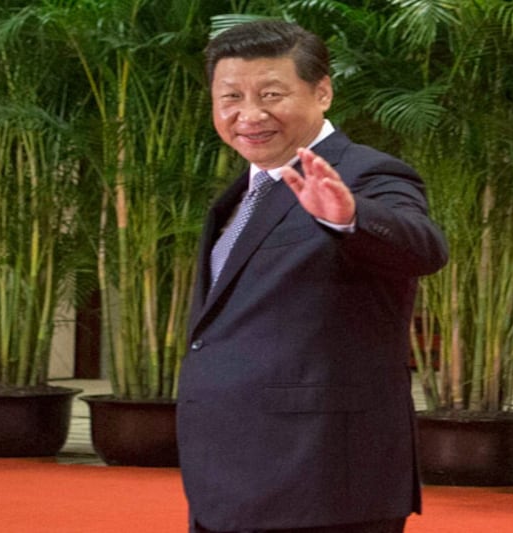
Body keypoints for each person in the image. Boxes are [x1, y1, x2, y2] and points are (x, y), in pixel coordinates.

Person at [177, 19, 449, 533]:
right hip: (229, 479)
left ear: (322, 91)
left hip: (323, 482)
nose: (249, 115)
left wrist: (347, 217)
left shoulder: (367, 174)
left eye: (272, 94)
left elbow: (424, 246)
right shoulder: (239, 194)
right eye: (230, 97)